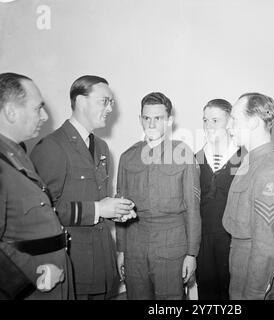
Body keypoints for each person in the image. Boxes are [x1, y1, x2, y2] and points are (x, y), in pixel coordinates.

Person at [30, 75, 134, 300]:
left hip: (103, 265)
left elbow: (98, 198)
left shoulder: (102, 147)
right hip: (74, 267)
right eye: (103, 101)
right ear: (80, 101)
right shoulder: (52, 146)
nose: (109, 109)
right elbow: (43, 212)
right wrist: (98, 209)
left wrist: (117, 211)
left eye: (111, 103)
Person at [116, 92, 201, 300]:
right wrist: (121, 250)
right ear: (140, 120)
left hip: (171, 244)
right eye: (146, 118)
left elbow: (193, 208)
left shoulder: (183, 154)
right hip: (135, 245)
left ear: (169, 121)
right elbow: (121, 206)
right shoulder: (128, 157)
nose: (151, 123)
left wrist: (191, 254)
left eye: (158, 118)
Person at [0, 72, 73, 299]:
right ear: (11, 112)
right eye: (37, 108)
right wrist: (33, 272)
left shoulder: (16, 153)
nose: (44, 115)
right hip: (35, 285)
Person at [222, 93, 274, 300]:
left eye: (234, 119)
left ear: (252, 122)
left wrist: (255, 292)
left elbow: (267, 245)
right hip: (242, 261)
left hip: (254, 270)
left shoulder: (269, 168)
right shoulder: (251, 160)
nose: (228, 126)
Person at [195, 99, 243, 300]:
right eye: (206, 120)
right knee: (206, 292)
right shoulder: (195, 158)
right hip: (203, 241)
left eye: (215, 120)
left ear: (230, 122)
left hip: (233, 240)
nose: (209, 126)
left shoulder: (243, 158)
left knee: (231, 293)